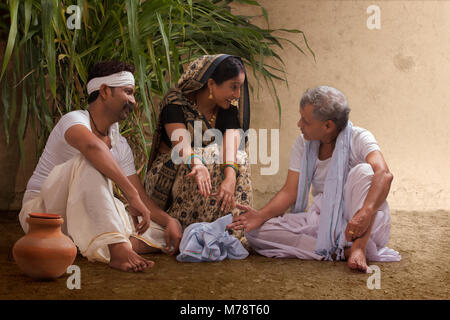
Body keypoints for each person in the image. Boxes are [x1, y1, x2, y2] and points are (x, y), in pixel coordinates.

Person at [18, 61, 182, 273]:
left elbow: (140, 197)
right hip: (43, 214)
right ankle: (116, 247)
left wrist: (169, 221)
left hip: (84, 215)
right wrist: (130, 195)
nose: (133, 101)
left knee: (165, 232)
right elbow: (92, 147)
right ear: (105, 91)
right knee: (89, 161)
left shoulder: (120, 144)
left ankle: (88, 244)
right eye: (128, 92)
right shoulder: (73, 120)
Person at [227, 86, 401, 272]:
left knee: (365, 172)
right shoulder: (303, 143)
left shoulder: (359, 137)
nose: (299, 124)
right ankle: (340, 251)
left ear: (328, 126)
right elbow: (290, 191)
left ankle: (358, 247)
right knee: (255, 233)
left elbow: (384, 174)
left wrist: (365, 214)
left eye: (306, 121)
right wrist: (260, 216)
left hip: (364, 224)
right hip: (323, 220)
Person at [142, 54, 252, 247]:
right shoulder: (175, 103)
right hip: (172, 173)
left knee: (237, 158)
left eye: (239, 88)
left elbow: (231, 146)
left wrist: (230, 179)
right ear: (211, 84)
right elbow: (181, 145)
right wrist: (197, 162)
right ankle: (185, 227)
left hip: (203, 173)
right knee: (205, 155)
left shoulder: (227, 109)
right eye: (233, 86)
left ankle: (232, 233)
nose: (237, 95)